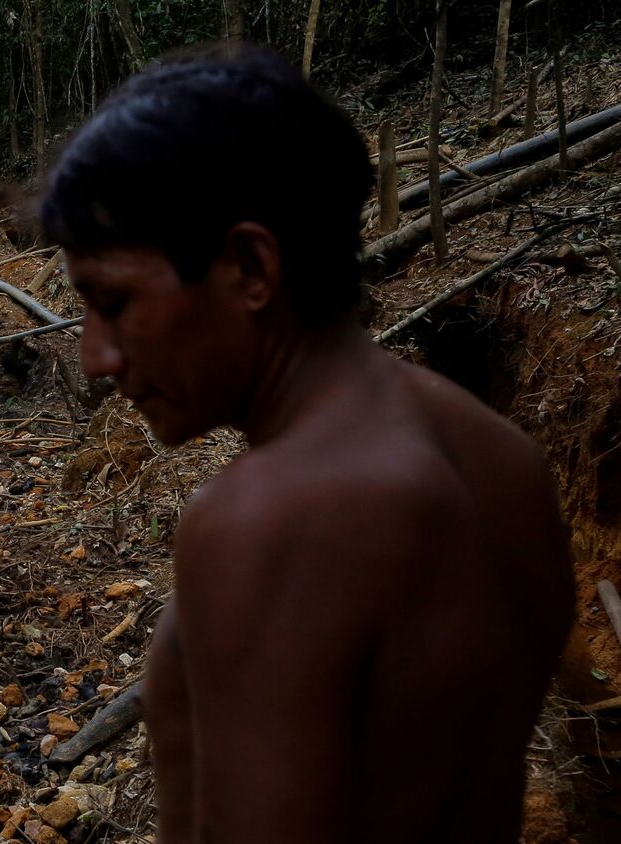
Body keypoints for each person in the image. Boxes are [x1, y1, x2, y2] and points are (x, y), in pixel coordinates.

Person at [40, 46, 572, 843]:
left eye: (113, 303)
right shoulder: (502, 462)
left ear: (251, 267)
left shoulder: (272, 520)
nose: (95, 358)